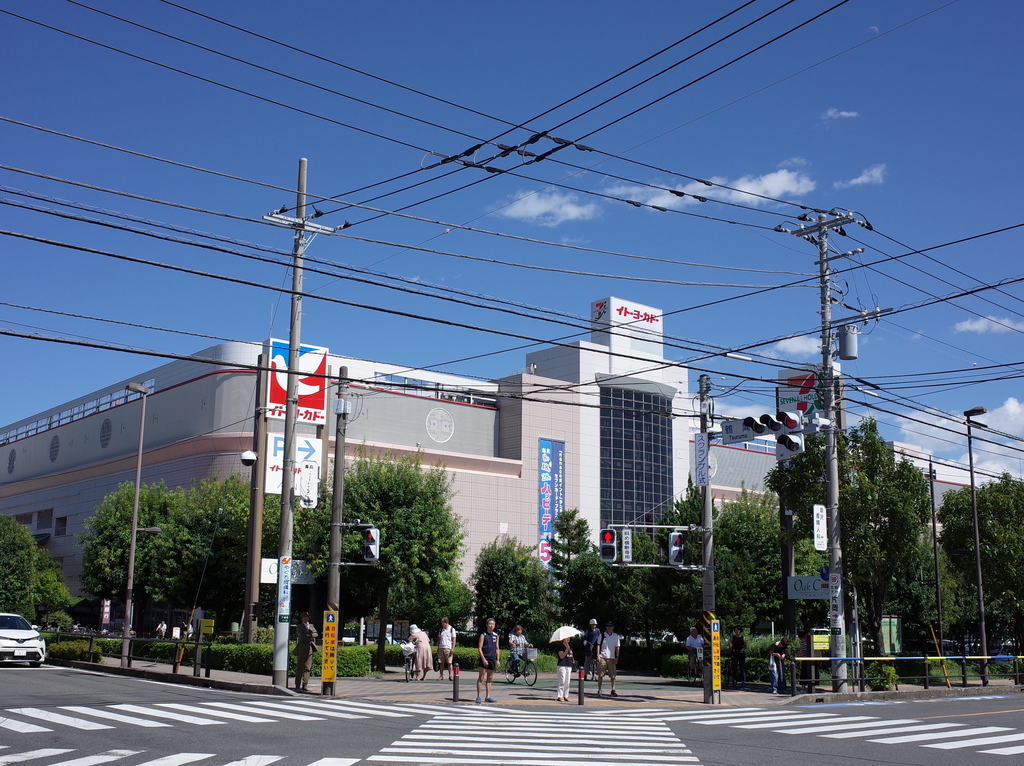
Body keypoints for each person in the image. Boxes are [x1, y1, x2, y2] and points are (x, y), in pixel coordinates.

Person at [476, 617, 500, 703]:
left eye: (493, 624)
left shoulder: (496, 635)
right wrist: (483, 659)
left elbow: (497, 648)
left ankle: (488, 696)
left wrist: (497, 659)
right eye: (490, 624)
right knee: (481, 677)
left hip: (492, 659)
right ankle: (478, 696)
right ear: (486, 625)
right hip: (484, 658)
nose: (491, 625)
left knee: (490, 678)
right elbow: (479, 648)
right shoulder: (483, 635)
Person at [294, 612, 319, 692]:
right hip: (302, 648)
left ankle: (305, 685)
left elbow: (316, 634)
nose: (306, 619)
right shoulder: (299, 627)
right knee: (300, 667)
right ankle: (297, 685)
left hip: (310, 648)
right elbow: (301, 636)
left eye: (307, 617)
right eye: (304, 617)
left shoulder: (311, 626)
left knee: (307, 668)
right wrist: (308, 636)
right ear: (302, 619)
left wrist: (310, 635)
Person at [596, 621, 620, 697]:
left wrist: (617, 657)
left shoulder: (616, 636)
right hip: (603, 656)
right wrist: (598, 655)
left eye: (610, 626)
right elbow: (598, 645)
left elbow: (617, 647)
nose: (608, 628)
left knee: (613, 675)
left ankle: (613, 689)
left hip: (612, 657)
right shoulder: (602, 635)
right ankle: (599, 689)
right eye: (607, 626)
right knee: (600, 674)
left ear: (613, 627)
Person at [437, 617, 457, 681]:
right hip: (441, 647)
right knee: (441, 662)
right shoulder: (441, 630)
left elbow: (454, 639)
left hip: (448, 647)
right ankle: (441, 675)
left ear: (446, 623)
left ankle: (450, 675)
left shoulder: (452, 629)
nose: (441, 624)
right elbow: (439, 639)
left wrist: (453, 648)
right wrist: (438, 647)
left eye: (442, 623)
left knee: (449, 663)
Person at [556, 635, 574, 702]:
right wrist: (566, 649)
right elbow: (561, 656)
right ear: (563, 639)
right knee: (562, 680)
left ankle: (566, 695)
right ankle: (560, 695)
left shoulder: (570, 646)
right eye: (566, 637)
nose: (568, 639)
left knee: (567, 681)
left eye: (569, 637)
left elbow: (571, 656)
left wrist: (571, 653)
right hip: (562, 665)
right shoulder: (560, 646)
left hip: (568, 665)